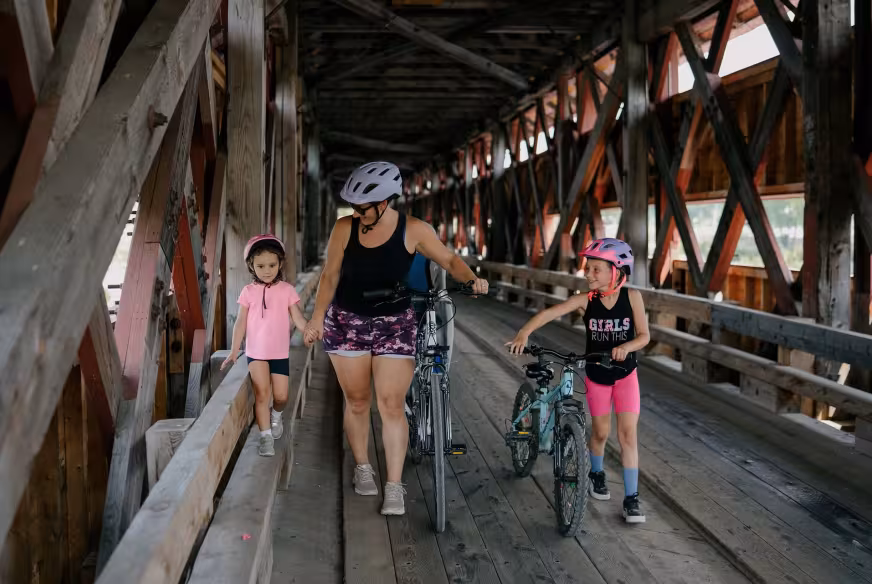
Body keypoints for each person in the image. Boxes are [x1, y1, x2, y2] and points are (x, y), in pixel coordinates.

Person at [303, 161, 488, 516]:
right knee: (358, 401)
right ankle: (362, 466)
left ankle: (393, 485)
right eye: (354, 207)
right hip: (347, 322)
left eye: (363, 207)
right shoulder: (344, 228)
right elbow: (330, 275)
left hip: (395, 323)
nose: (357, 213)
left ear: (385, 201)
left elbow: (449, 259)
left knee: (390, 404)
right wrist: (316, 317)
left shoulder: (414, 230)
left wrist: (472, 279)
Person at [506, 238, 650, 523]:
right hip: (597, 377)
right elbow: (551, 313)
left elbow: (645, 335)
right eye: (588, 268)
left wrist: (627, 347)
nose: (588, 274)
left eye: (596, 269)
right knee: (600, 433)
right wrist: (524, 333)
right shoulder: (586, 301)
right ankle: (596, 474)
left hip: (625, 375)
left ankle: (632, 499)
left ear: (616, 271)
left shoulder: (632, 297)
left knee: (627, 435)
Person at [222, 234, 310, 457]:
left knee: (281, 397)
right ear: (251, 265)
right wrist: (234, 350)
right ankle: (265, 437)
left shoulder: (287, 290)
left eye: (272, 265)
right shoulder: (248, 292)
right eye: (260, 266)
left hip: (279, 352)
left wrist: (309, 330)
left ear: (280, 263)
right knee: (262, 394)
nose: (267, 270)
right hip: (256, 353)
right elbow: (240, 322)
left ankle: (276, 416)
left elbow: (298, 318)